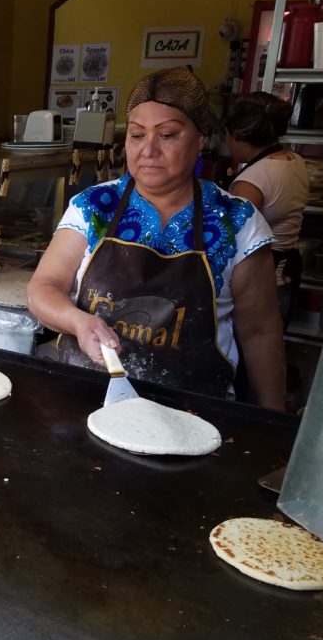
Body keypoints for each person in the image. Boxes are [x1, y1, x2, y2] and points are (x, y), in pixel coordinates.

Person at [27, 67, 285, 410]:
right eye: (137, 135)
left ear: (201, 138)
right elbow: (43, 288)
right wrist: (77, 321)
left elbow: (259, 331)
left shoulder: (236, 220)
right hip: (86, 403)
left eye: (167, 135)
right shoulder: (94, 207)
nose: (148, 150)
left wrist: (275, 424)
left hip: (193, 413)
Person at [224, 91, 309, 324]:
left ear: (237, 135)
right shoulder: (293, 161)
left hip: (263, 280)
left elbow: (232, 244)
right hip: (287, 269)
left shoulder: (252, 182)